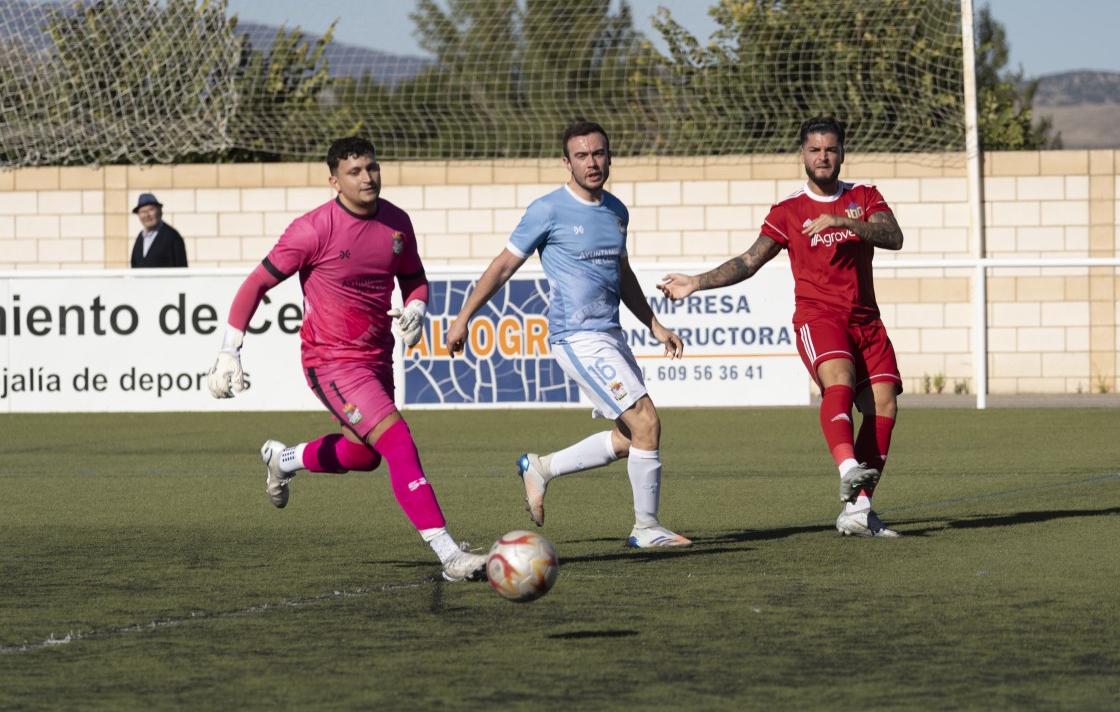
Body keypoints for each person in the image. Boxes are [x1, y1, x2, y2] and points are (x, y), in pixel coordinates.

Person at [206, 136, 488, 582]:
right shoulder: (312, 229)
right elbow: (256, 284)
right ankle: (449, 554)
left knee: (364, 455)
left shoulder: (397, 223)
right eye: (355, 172)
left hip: (376, 357)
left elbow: (414, 278)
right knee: (397, 442)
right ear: (334, 181)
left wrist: (416, 308)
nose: (367, 177)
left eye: (372, 168)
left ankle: (286, 460)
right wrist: (229, 349)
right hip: (331, 361)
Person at [445, 121, 692, 549]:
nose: (591, 163)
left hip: (610, 335)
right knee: (647, 421)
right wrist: (464, 316)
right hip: (576, 337)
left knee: (631, 436)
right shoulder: (547, 210)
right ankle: (646, 528)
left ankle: (541, 468)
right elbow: (504, 265)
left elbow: (623, 273)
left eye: (598, 154)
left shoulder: (617, 211)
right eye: (582, 156)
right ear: (567, 162)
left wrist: (653, 324)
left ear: (609, 157)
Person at [660, 116, 905, 538]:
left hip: (867, 320)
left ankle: (859, 510)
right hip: (819, 317)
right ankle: (848, 468)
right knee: (839, 382)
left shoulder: (864, 196)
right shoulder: (788, 210)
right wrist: (696, 283)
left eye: (830, 149)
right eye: (814, 150)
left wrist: (844, 222)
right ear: (802, 155)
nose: (823, 157)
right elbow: (749, 261)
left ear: (842, 153)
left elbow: (893, 235)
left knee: (883, 407)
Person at [130, 192, 188, 268]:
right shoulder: (140, 237)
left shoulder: (172, 236)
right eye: (143, 211)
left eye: (151, 209)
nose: (147, 215)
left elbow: (181, 268)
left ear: (160, 212)